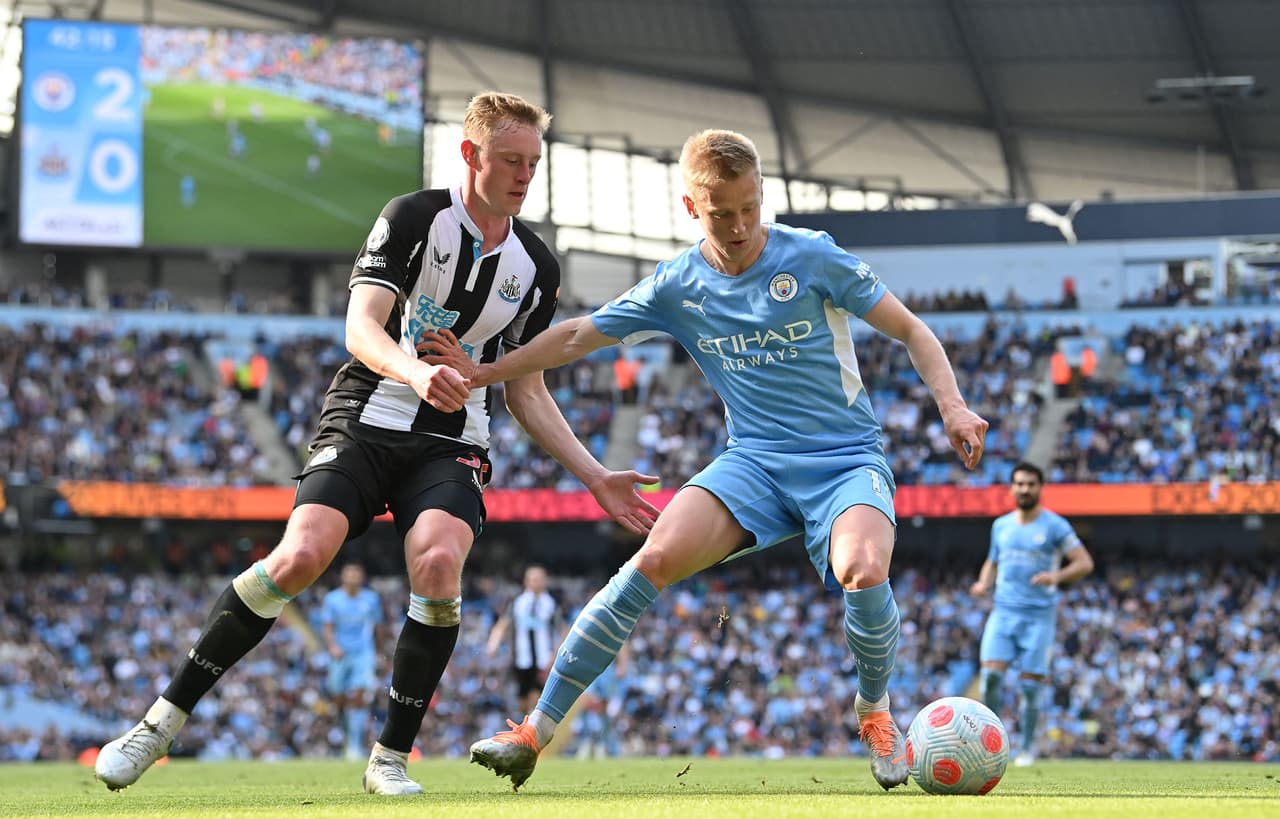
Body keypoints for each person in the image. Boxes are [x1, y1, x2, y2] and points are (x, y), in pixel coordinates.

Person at [94, 91, 660, 796]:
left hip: (451, 438)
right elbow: (361, 328)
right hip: (366, 415)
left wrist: (593, 473)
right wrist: (419, 370)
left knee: (439, 558)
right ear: (470, 155)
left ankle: (389, 758)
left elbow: (526, 388)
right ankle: (157, 724)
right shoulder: (413, 218)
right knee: (300, 555)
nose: (523, 175)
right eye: (510, 160)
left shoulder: (534, 268)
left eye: (533, 164)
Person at [421, 128, 990, 791]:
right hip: (752, 463)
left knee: (862, 570)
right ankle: (533, 731)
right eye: (724, 213)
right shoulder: (678, 284)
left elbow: (912, 329)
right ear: (693, 208)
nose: (743, 224)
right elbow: (577, 335)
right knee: (653, 558)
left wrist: (951, 404)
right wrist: (485, 371)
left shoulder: (812, 256)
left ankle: (875, 709)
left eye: (751, 206)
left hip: (843, 459)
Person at [968, 461, 1093, 767]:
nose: (1024, 489)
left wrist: (1057, 577)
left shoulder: (1055, 526)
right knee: (991, 679)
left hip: (1038, 617)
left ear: (1040, 488)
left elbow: (1084, 563)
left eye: (1030, 484)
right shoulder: (1001, 526)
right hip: (1003, 612)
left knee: (1029, 685)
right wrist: (984, 582)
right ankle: (991, 745)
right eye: (1019, 484)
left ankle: (1026, 749)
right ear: (1012, 488)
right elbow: (992, 561)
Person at [318, 562, 383, 761]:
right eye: (349, 573)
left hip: (363, 653)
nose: (353, 576)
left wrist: (379, 652)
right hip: (340, 653)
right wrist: (333, 647)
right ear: (342, 577)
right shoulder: (332, 599)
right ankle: (347, 736)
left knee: (359, 696)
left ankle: (354, 745)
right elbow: (328, 626)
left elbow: (377, 627)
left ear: (362, 577)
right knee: (338, 698)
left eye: (357, 573)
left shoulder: (371, 599)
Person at [486, 565, 563, 716]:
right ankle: (524, 721)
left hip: (544, 659)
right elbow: (503, 624)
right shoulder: (517, 602)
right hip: (521, 658)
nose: (537, 582)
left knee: (537, 696)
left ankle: (530, 727)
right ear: (526, 581)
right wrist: (493, 644)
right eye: (533, 579)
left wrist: (556, 652)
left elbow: (561, 629)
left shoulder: (551, 604)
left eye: (540, 579)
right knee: (522, 697)